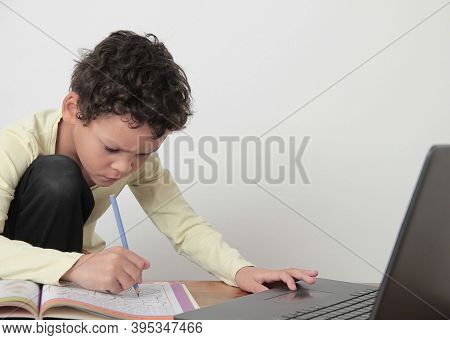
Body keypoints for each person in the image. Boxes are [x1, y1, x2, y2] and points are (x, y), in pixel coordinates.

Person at [0, 30, 318, 295]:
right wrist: (77, 266)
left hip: (66, 284)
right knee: (57, 175)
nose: (125, 167)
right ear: (74, 109)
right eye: (111, 148)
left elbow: (181, 222)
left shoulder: (133, 155)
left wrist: (240, 270)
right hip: (14, 282)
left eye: (142, 153)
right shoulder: (16, 144)